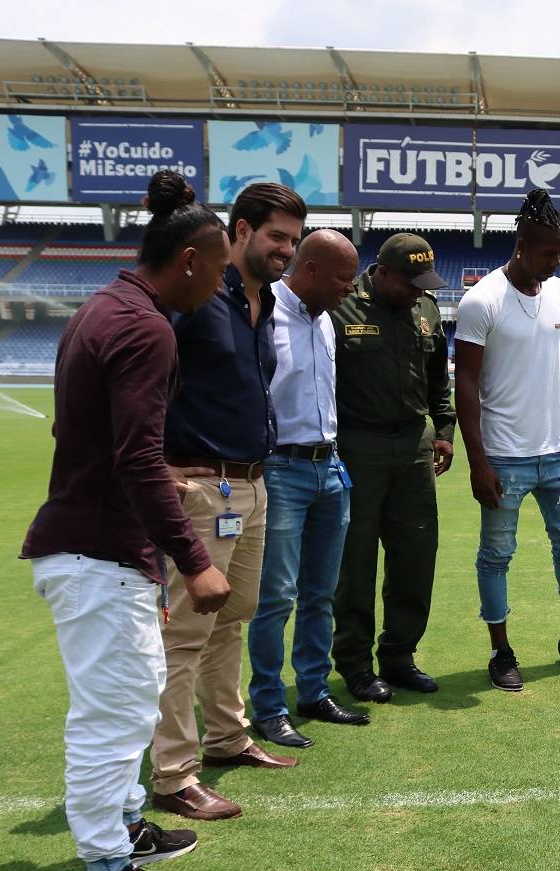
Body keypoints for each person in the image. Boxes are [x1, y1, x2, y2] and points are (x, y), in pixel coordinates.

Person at [22, 170, 232, 871]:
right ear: (189, 260)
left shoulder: (103, 309)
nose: (216, 287)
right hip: (95, 551)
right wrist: (194, 562)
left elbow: (90, 437)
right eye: (216, 270)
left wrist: (147, 553)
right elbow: (135, 458)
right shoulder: (145, 328)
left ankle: (128, 826)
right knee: (111, 717)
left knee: (129, 702)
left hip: (98, 548)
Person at [151, 183, 310, 822]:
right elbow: (142, 368)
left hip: (252, 481)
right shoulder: (194, 294)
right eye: (277, 237)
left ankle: (226, 737)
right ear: (240, 231)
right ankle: (172, 774)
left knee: (232, 616)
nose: (286, 251)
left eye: (295, 242)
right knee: (185, 634)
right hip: (200, 485)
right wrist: (158, 462)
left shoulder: (268, 301)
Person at [454, 190, 560, 691]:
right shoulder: (481, 300)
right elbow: (466, 386)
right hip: (504, 456)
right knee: (496, 556)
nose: (557, 260)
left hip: (556, 453)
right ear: (522, 245)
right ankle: (501, 651)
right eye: (548, 252)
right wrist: (478, 462)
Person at [246, 230, 362, 749]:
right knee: (276, 597)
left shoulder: (326, 322)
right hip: (283, 470)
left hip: (330, 469)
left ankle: (313, 690)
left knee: (322, 593)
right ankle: (269, 705)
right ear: (310, 270)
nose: (350, 289)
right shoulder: (264, 314)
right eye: (342, 278)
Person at [331, 233, 455, 702]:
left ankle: (400, 655)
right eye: (410, 283)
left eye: (425, 285)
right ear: (381, 273)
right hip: (356, 446)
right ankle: (356, 664)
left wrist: (444, 429)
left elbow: (438, 378)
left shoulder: (426, 310)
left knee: (416, 555)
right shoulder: (342, 307)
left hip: (414, 446)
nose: (419, 293)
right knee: (355, 562)